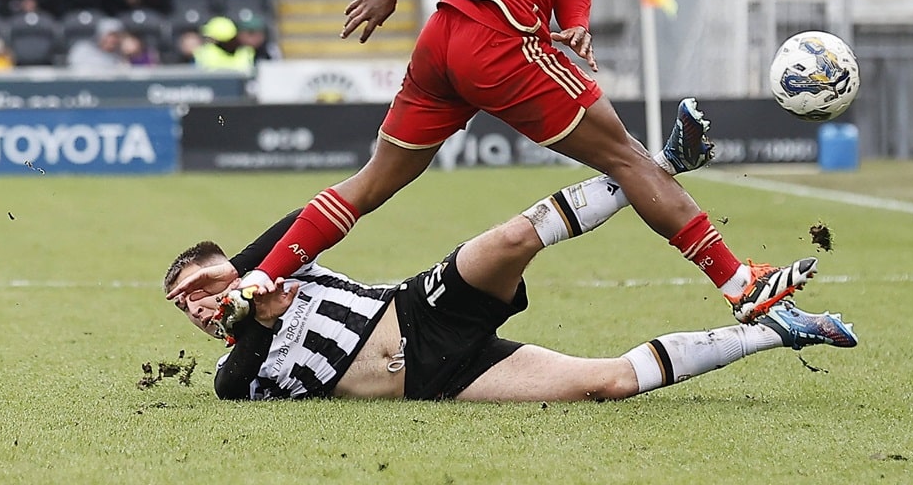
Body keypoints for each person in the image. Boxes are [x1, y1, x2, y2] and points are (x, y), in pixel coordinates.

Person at [205, 0, 814, 324]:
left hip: (447, 44)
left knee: (369, 185)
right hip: (496, 45)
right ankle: (742, 284)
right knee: (631, 158)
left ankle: (260, 278)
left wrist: (574, 24)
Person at [164, 159, 857, 402]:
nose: (195, 304)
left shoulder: (284, 263)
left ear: (230, 262)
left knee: (514, 238)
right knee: (605, 383)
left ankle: (653, 168)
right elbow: (241, 367)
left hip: (416, 309)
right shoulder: (236, 375)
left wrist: (256, 275)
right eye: (182, 304)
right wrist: (245, 310)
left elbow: (306, 217)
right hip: (440, 380)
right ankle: (774, 331)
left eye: (199, 283)